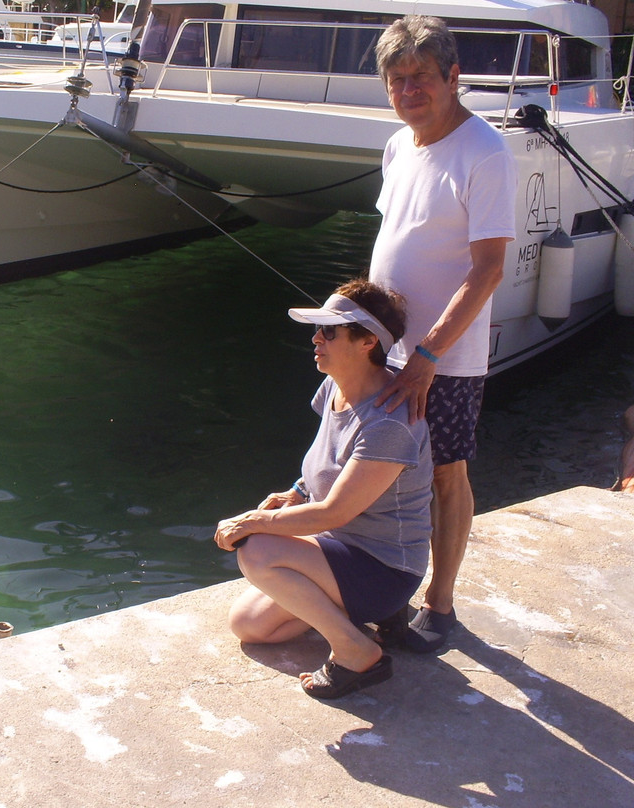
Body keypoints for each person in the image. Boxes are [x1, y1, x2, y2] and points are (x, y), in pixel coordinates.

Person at [369, 15, 517, 652]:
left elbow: (488, 267)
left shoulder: (485, 152)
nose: (409, 91)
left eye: (421, 78)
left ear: (453, 77)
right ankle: (391, 594)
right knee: (383, 473)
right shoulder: (400, 145)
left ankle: (442, 605)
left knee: (445, 475)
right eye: (397, 80)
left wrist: (430, 352)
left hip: (443, 359)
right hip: (389, 348)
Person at [213, 279, 433, 700]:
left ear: (367, 342)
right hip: (339, 549)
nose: (316, 338)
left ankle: (355, 651)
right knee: (251, 626)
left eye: (329, 331)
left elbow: (334, 513)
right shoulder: (336, 386)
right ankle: (375, 619)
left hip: (384, 567)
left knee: (257, 548)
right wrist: (296, 490)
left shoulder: (388, 423)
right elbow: (329, 464)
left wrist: (257, 521)